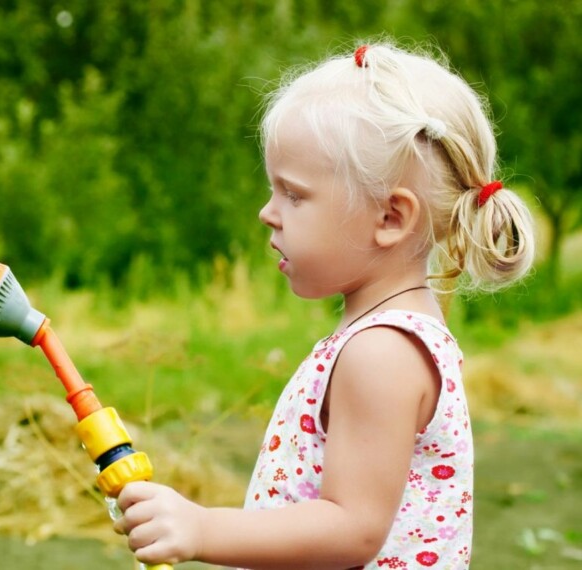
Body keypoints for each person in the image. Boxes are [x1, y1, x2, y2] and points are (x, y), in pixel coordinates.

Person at [113, 42, 535, 569]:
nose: (268, 213)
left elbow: (352, 527)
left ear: (390, 218)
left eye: (293, 194)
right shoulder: (389, 334)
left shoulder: (382, 352)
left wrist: (202, 527)